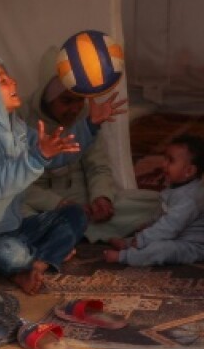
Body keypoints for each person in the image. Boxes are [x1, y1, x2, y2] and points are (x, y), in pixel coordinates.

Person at [0, 55, 125, 295]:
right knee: (11, 252)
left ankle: (37, 264)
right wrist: (38, 156)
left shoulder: (15, 127)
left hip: (11, 228)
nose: (14, 82)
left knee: (75, 215)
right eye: (2, 80)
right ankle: (33, 260)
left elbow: (56, 154)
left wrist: (90, 123)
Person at [21, 44, 159, 242]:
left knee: (155, 203)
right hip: (41, 204)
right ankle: (61, 231)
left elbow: (98, 166)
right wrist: (58, 204)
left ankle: (64, 233)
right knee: (8, 207)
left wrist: (101, 198)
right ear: (46, 96)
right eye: (67, 101)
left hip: (83, 204)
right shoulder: (20, 118)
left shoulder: (85, 114)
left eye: (80, 100)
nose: (75, 109)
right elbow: (15, 184)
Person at [104, 134, 204, 266]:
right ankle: (128, 243)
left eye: (170, 161)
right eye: (165, 158)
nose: (163, 164)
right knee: (154, 235)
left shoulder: (190, 199)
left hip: (192, 246)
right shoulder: (179, 187)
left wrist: (144, 238)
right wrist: (150, 224)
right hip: (177, 235)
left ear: (189, 171)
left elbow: (170, 226)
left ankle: (125, 256)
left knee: (161, 249)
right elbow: (166, 213)